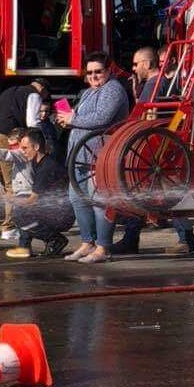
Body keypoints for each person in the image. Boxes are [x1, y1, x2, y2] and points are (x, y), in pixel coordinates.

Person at [111, 46, 194, 255]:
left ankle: (181, 239)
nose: (133, 69)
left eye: (136, 64)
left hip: (154, 148)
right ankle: (181, 238)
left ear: (147, 64)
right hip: (162, 145)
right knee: (159, 193)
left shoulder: (154, 84)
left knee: (152, 191)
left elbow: (146, 116)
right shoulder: (163, 83)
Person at [57, 51, 129, 264]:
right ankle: (87, 242)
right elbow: (82, 118)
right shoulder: (89, 92)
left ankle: (103, 247)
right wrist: (67, 120)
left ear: (108, 70)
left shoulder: (113, 89)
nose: (93, 76)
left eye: (98, 71)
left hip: (99, 156)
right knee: (77, 198)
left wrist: (73, 119)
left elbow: (102, 118)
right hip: (80, 156)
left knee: (99, 202)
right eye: (89, 73)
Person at [0, 78, 49, 240]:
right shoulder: (33, 94)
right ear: (42, 89)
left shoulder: (10, 91)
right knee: (11, 183)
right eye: (45, 95)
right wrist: (41, 141)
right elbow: (32, 122)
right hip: (5, 136)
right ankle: (8, 227)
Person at [5, 129, 75, 258]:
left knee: (20, 214)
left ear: (36, 147)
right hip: (53, 208)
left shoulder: (46, 168)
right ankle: (24, 247)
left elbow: (32, 200)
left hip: (62, 215)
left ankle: (55, 239)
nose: (22, 151)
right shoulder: (38, 162)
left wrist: (9, 199)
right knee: (21, 207)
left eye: (25, 148)